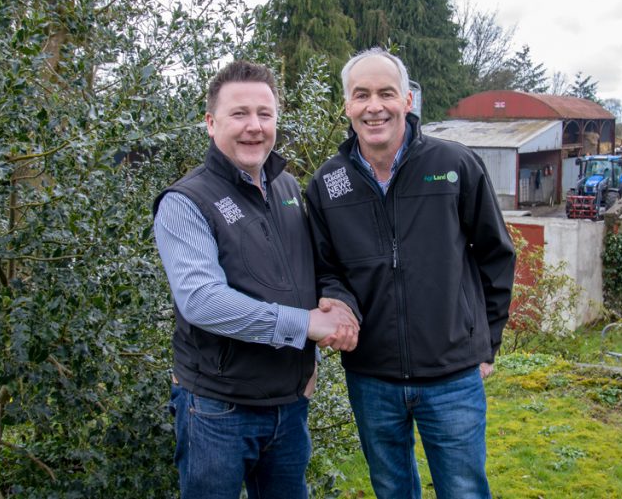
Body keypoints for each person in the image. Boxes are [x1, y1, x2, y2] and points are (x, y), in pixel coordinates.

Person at [304, 47, 516, 499]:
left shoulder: (455, 165)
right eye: (361, 95)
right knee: (391, 489)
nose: (374, 106)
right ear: (347, 105)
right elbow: (325, 269)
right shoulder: (327, 184)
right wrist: (338, 302)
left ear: (407, 100)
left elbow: (496, 255)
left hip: (452, 373)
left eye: (386, 93)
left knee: (464, 490)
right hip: (372, 376)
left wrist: (486, 343)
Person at [153, 60, 359, 499]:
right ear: (211, 123)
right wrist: (305, 325)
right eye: (239, 114)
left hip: (288, 406)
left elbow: (313, 269)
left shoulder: (287, 188)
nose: (254, 126)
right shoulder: (185, 202)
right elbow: (203, 301)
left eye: (265, 114)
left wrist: (334, 308)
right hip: (218, 409)